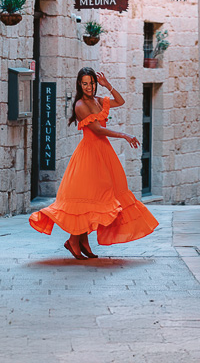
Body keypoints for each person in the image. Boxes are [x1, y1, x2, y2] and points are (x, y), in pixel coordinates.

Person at [29, 67, 158, 258]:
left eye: (92, 83)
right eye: (85, 83)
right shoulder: (80, 105)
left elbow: (120, 101)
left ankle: (82, 241)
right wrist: (123, 135)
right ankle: (74, 240)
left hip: (103, 153)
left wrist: (108, 86)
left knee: (99, 197)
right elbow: (97, 130)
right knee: (90, 197)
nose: (89, 87)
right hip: (89, 154)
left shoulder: (98, 101)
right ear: (79, 85)